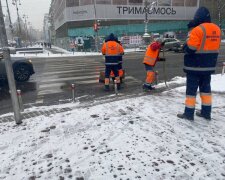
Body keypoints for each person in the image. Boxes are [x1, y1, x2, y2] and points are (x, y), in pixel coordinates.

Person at [177, 7, 221, 121]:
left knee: (191, 92)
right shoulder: (217, 29)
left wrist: (185, 46)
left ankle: (188, 114)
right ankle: (206, 113)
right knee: (206, 91)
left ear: (197, 17)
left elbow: (191, 48)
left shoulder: (198, 30)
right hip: (208, 67)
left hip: (194, 67)